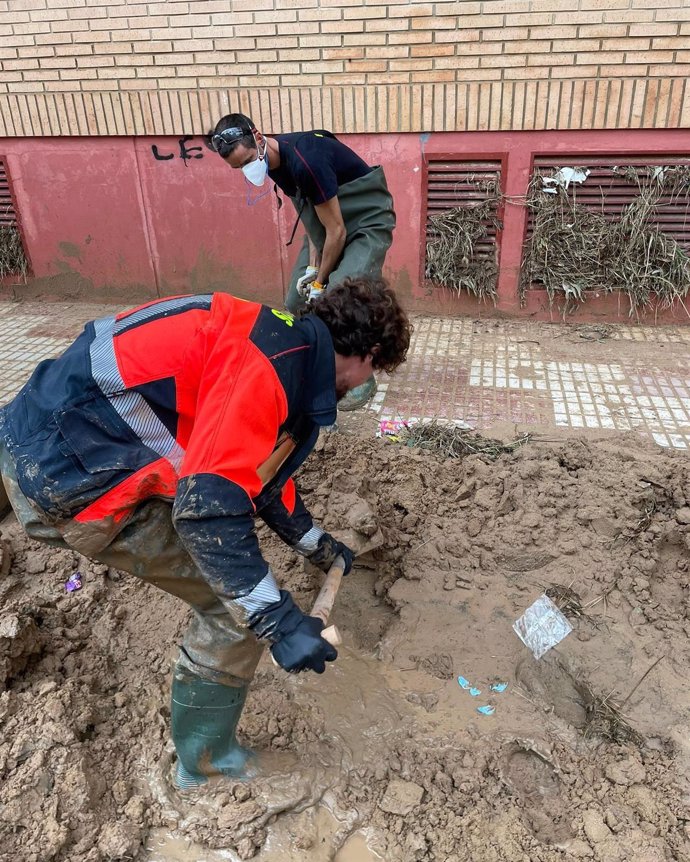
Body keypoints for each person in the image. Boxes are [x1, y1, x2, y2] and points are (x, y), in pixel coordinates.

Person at [0, 277, 411, 790]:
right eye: (375, 371)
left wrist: (314, 544)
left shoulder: (279, 340)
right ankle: (206, 768)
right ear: (367, 354)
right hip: (68, 471)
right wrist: (277, 621)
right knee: (236, 616)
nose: (366, 384)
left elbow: (254, 471)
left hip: (27, 426)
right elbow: (207, 511)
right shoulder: (268, 370)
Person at [209, 112, 397, 410]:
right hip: (330, 221)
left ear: (258, 137)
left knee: (342, 299)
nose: (247, 170)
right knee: (297, 299)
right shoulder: (271, 162)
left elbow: (337, 232)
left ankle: (361, 376)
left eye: (246, 161)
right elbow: (312, 218)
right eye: (238, 168)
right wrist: (311, 268)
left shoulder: (306, 159)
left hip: (366, 219)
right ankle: (324, 362)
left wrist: (322, 282)